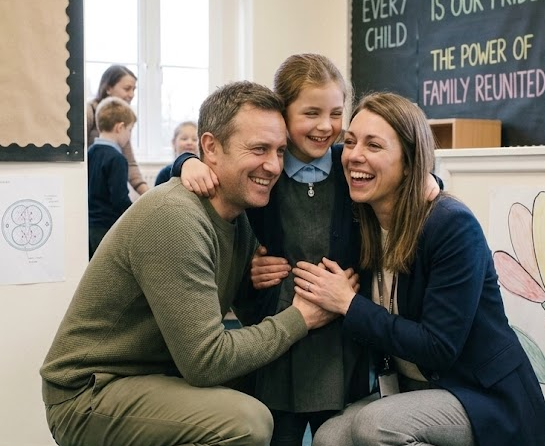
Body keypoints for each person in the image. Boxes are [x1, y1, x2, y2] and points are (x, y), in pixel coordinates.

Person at [41, 81, 343, 446]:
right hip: (90, 392)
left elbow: (245, 317)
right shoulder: (174, 217)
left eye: (280, 151)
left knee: (265, 384)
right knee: (249, 422)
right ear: (210, 148)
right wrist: (300, 317)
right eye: (259, 149)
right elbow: (206, 361)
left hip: (157, 376)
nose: (274, 165)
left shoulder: (239, 218)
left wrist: (257, 281)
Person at [174, 55, 441, 446]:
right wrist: (185, 162)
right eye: (311, 113)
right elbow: (188, 174)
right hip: (278, 339)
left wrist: (431, 178)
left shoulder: (349, 166)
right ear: (283, 114)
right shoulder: (262, 172)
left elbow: (404, 166)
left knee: (336, 434)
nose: (325, 126)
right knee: (275, 433)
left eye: (336, 113)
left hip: (341, 344)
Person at [292, 92, 545, 446]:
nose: (355, 155)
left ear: (408, 160)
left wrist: (349, 303)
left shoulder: (451, 226)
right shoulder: (362, 217)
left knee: (375, 426)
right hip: (412, 388)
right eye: (351, 141)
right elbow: (296, 163)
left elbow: (438, 347)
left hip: (480, 394)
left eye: (374, 145)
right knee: (329, 438)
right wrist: (189, 162)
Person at [86, 65, 149, 195]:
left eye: (133, 89)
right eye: (127, 89)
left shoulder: (123, 120)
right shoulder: (89, 111)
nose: (131, 95)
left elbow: (130, 162)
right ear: (108, 88)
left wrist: (149, 195)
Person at [86, 97, 136, 258]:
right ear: (120, 128)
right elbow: (119, 199)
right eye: (129, 130)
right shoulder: (117, 159)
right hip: (107, 228)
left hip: (89, 225)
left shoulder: (90, 153)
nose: (129, 136)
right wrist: (137, 213)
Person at [153, 121, 199, 186]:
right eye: (184, 139)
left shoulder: (203, 171)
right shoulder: (165, 173)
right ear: (174, 142)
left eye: (194, 139)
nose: (189, 142)